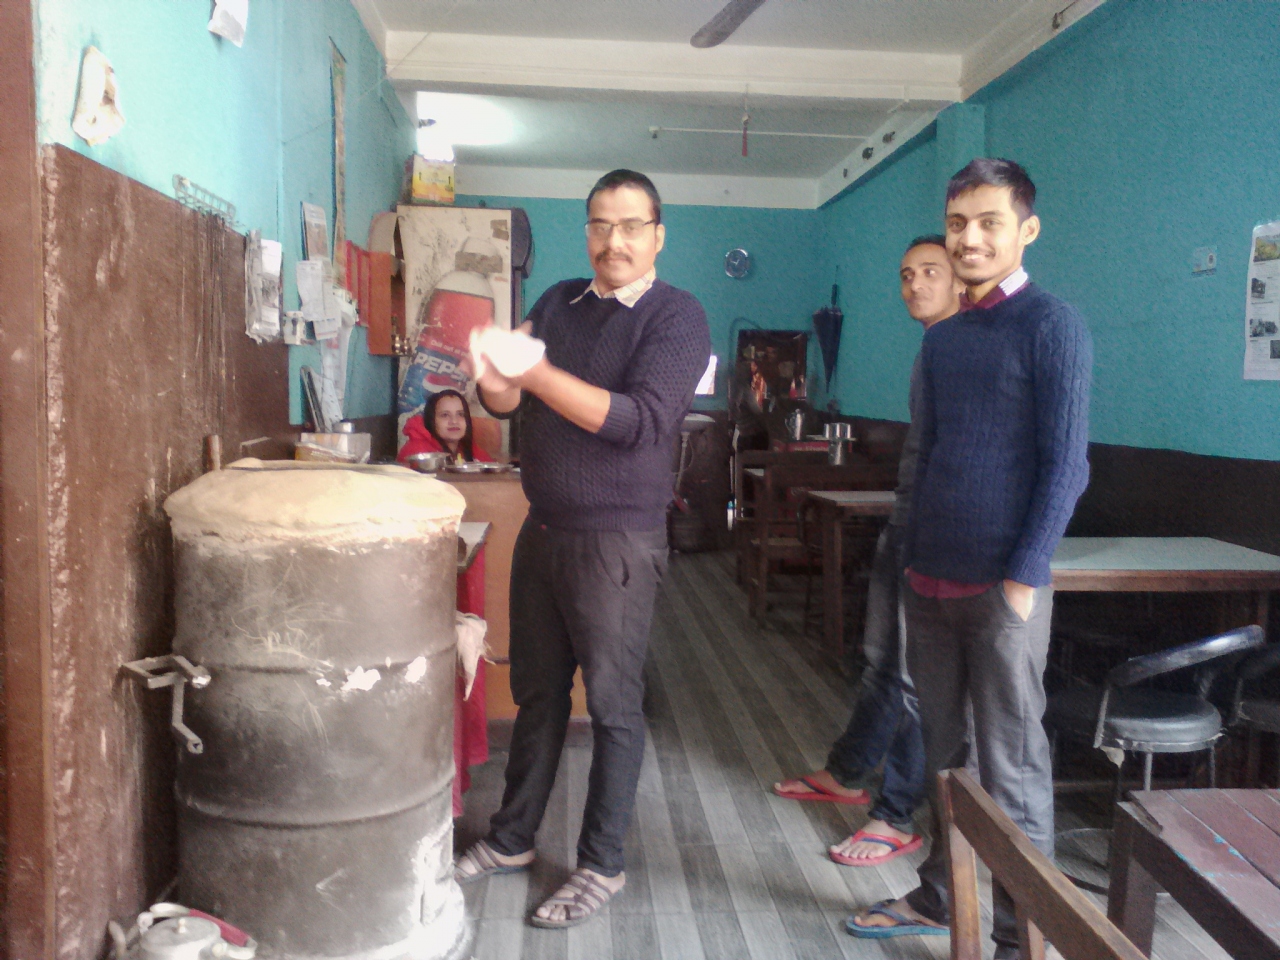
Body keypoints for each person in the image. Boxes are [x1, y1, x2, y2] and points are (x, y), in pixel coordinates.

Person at [453, 169, 711, 929]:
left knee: (612, 706)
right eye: (600, 224)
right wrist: (494, 373)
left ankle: (603, 863)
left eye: (630, 226)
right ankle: (512, 839)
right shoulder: (559, 300)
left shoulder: (677, 316)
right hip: (545, 528)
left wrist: (536, 372)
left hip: (618, 540)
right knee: (538, 694)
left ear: (658, 235)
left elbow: (638, 422)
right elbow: (506, 401)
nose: (613, 241)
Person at [847, 159, 1092, 960]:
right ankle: (947, 907)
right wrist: (910, 562)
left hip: (1001, 591)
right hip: (929, 586)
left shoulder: (1053, 325)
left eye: (990, 222)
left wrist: (1023, 578)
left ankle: (1024, 942)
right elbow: (925, 456)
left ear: (1028, 230)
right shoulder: (945, 339)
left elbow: (1066, 466)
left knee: (1013, 773)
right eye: (958, 223)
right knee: (947, 767)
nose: (971, 238)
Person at [772, 235, 963, 867]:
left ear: (960, 279)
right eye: (906, 274)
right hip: (905, 523)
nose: (915, 285)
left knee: (914, 679)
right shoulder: (934, 346)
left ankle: (895, 816)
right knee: (881, 663)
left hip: (938, 537)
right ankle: (847, 773)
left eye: (930, 271)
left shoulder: (966, 348)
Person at [397, 388, 494, 464]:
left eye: (460, 414)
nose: (454, 421)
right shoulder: (417, 451)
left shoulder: (469, 449)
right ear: (431, 420)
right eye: (445, 415)